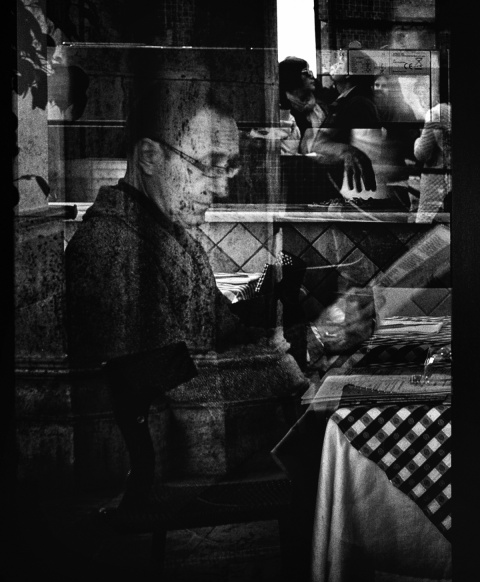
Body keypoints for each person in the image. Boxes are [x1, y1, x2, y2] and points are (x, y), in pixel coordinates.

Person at [64, 78, 375, 478]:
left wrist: (316, 332)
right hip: (176, 481)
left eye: (228, 166)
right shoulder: (116, 249)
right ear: (149, 157)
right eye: (209, 165)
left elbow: (228, 332)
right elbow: (180, 393)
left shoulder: (168, 236)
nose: (223, 187)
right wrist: (308, 347)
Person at [278, 56, 376, 201]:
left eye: (311, 71)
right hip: (299, 182)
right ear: (292, 77)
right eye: (306, 72)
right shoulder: (284, 113)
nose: (312, 75)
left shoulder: (323, 105)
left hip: (329, 179)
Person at [413, 101, 451, 222]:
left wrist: (417, 141)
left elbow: (422, 153)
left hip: (436, 183)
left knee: (426, 225)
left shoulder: (437, 113)